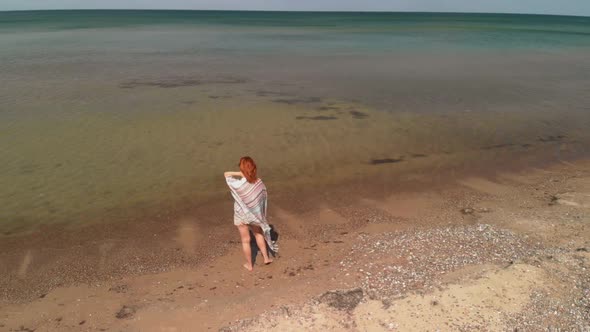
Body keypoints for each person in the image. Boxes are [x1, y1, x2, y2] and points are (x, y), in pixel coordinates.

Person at [224, 156, 278, 271]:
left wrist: (240, 173)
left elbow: (226, 174)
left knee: (245, 240)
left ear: (241, 169)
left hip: (241, 214)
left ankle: (249, 265)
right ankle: (266, 259)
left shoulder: (238, 185)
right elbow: (262, 199)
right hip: (254, 214)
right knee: (258, 234)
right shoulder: (258, 182)